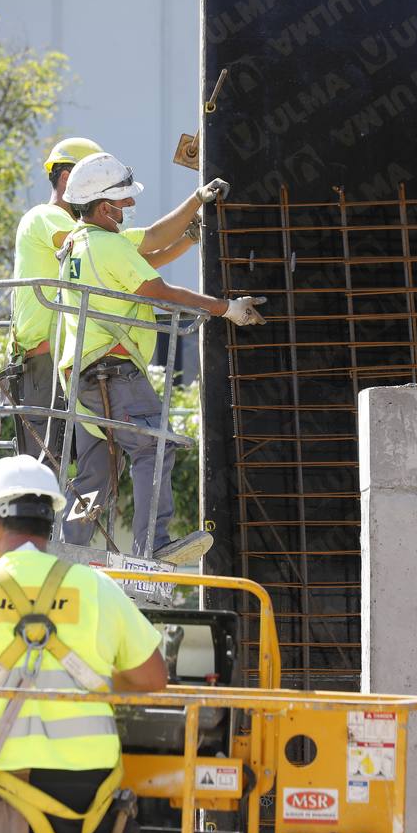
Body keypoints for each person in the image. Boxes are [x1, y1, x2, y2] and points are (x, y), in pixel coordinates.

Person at [0, 455, 168, 833]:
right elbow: (153, 678)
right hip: (91, 791)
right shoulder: (97, 587)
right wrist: (97, 681)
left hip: (4, 786)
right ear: (47, 525)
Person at [57, 152, 267, 564]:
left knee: (96, 473)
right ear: (103, 207)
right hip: (113, 373)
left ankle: (65, 554)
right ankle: (151, 547)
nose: (128, 208)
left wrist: (196, 199)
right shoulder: (107, 246)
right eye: (122, 202)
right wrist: (226, 308)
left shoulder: (80, 242)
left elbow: (152, 239)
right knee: (154, 447)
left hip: (82, 379)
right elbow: (158, 290)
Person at [11, 138, 208, 461]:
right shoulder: (47, 219)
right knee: (48, 460)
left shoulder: (95, 237)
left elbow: (130, 262)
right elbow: (124, 256)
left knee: (95, 464)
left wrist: (185, 239)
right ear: (67, 179)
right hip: (49, 356)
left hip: (76, 352)